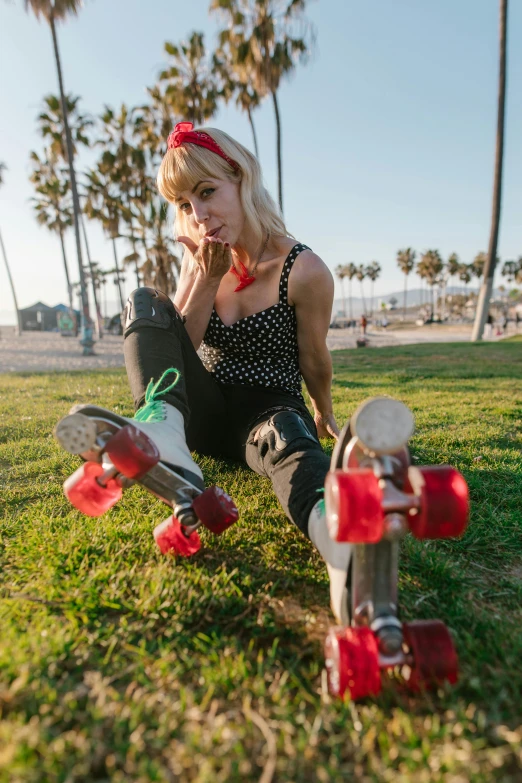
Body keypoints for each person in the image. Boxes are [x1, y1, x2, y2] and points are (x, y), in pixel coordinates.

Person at [79, 122, 352, 623]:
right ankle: (160, 426)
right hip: (199, 415)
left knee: (288, 436)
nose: (199, 214)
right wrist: (204, 279)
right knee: (147, 301)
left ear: (242, 179)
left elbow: (314, 355)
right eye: (185, 204)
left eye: (207, 192)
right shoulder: (200, 257)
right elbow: (181, 346)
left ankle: (333, 538)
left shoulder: (305, 270)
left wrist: (323, 411)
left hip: (268, 413)